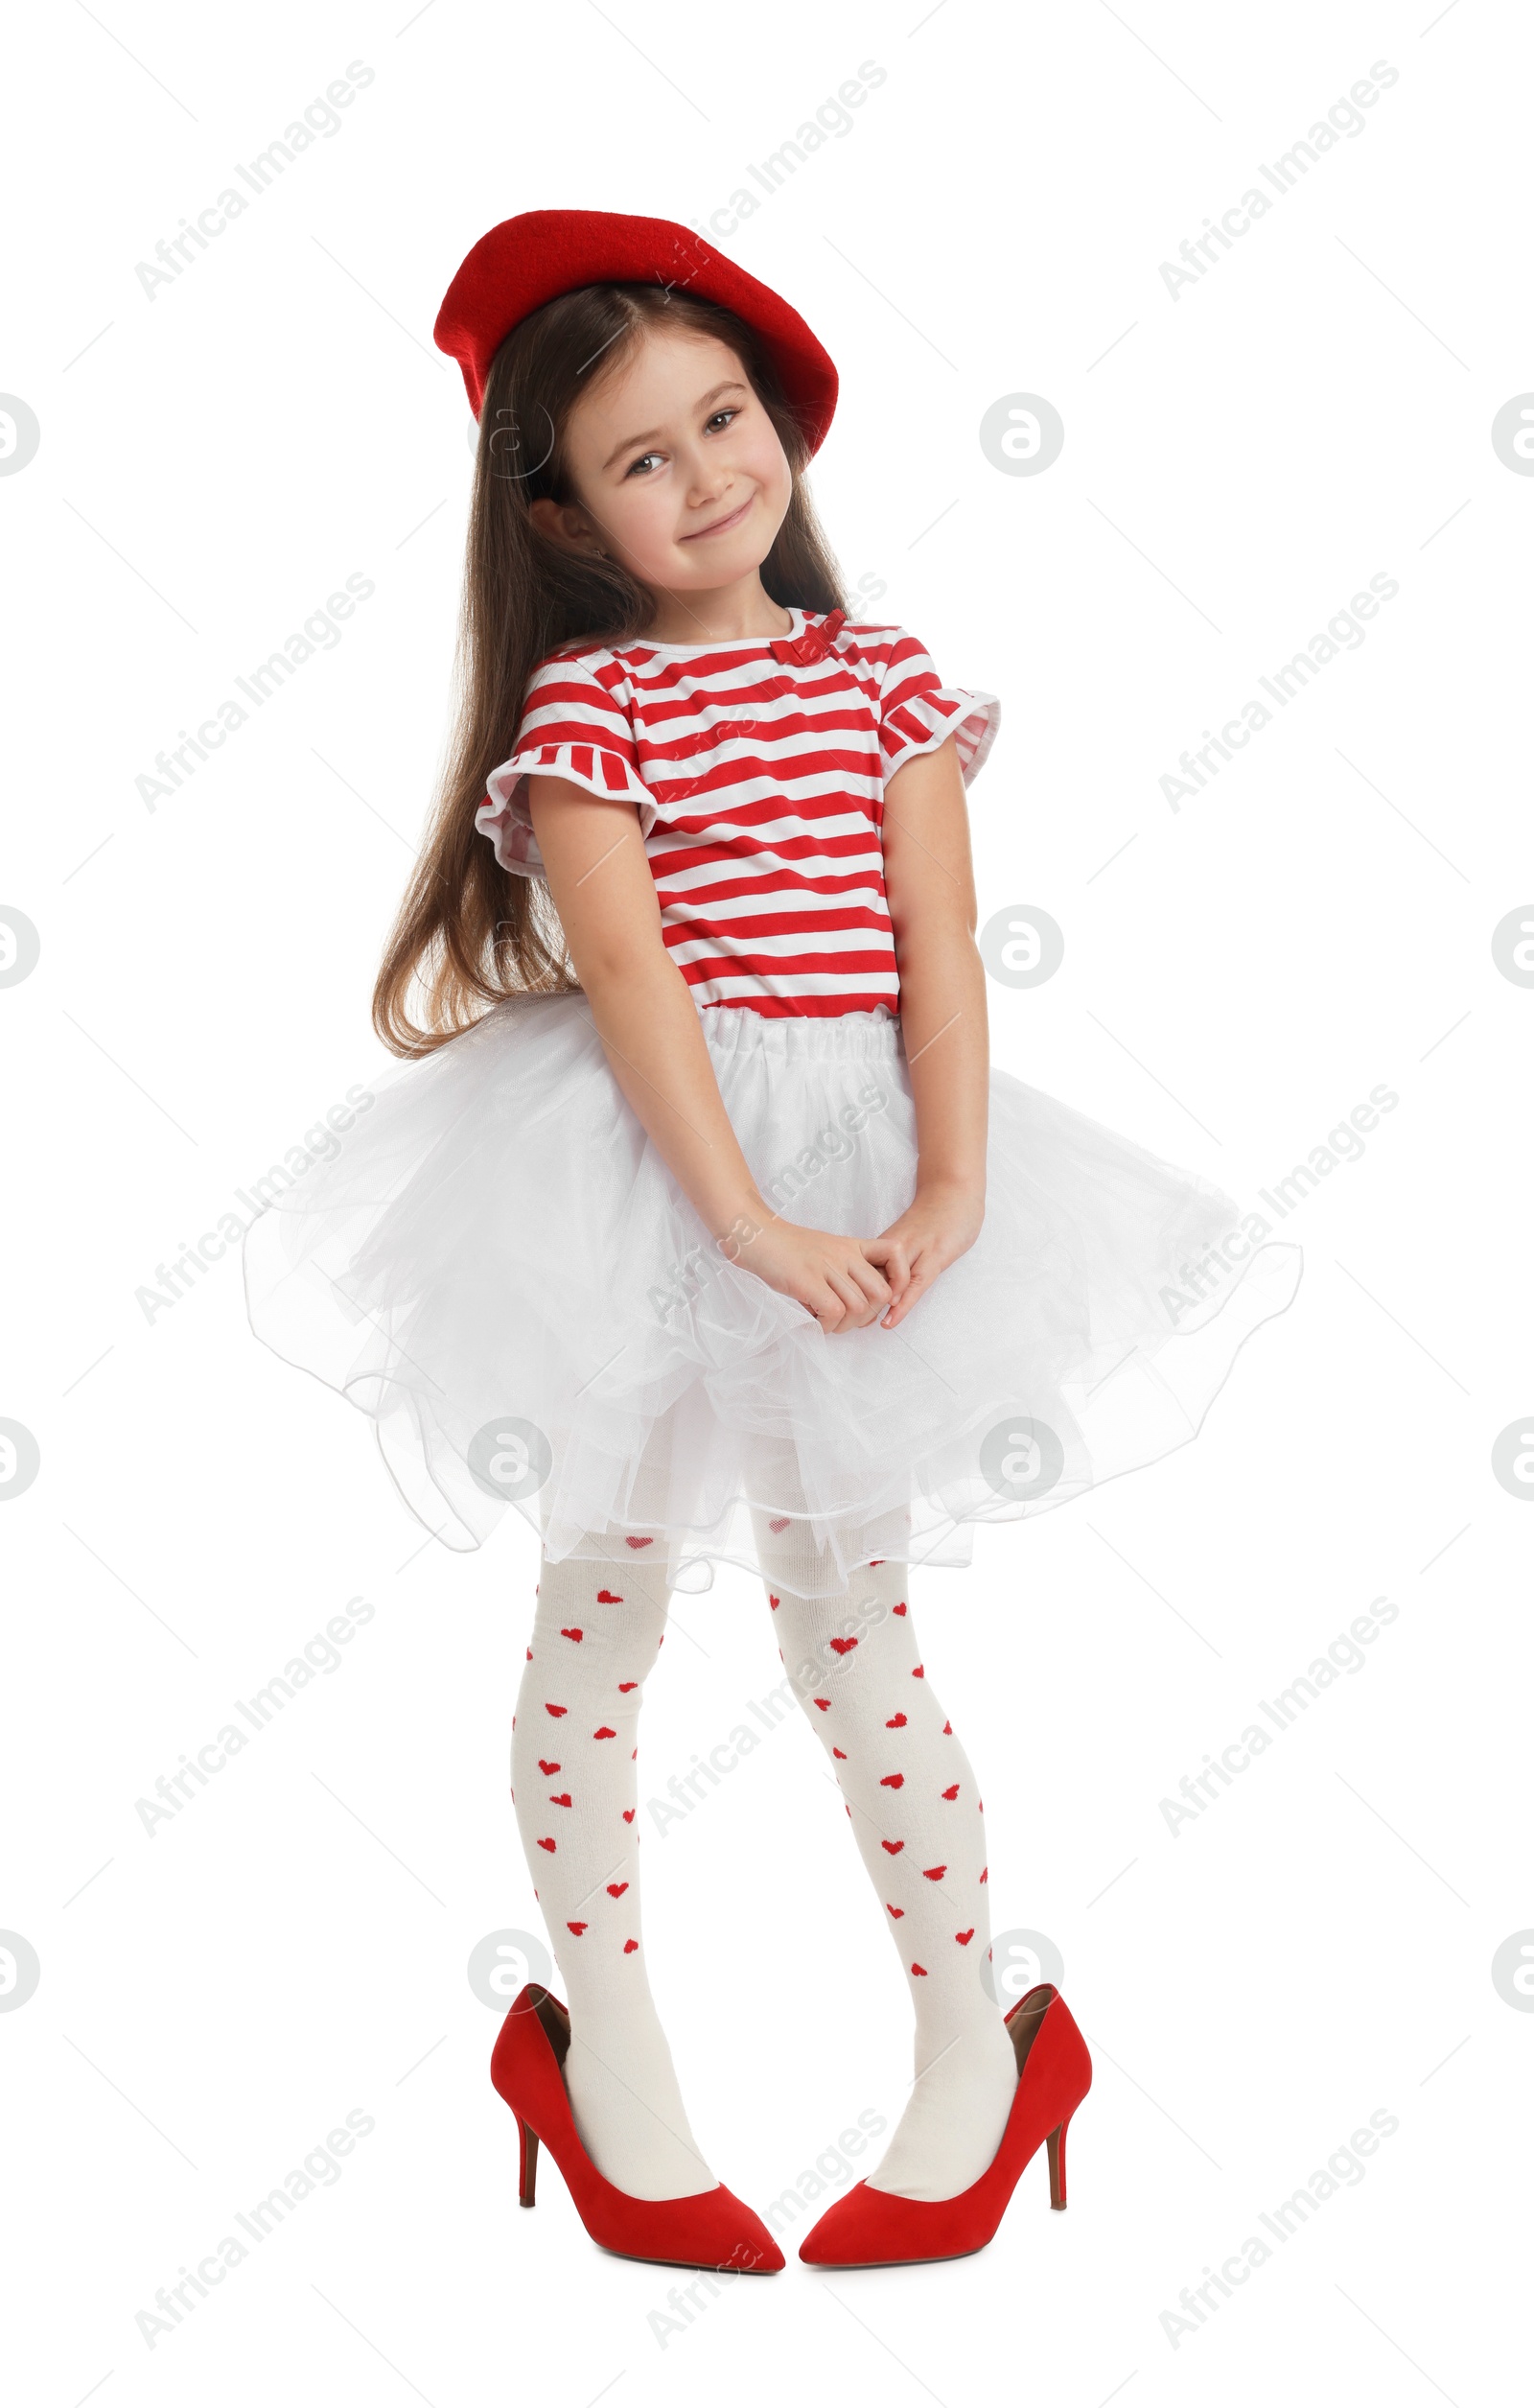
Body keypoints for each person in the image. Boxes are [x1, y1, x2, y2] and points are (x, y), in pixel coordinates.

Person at [244, 209, 1302, 2273]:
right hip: (654, 1179)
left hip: (869, 1167)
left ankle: (975, 2047)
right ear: (559, 510)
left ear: (780, 424)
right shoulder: (586, 712)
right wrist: (738, 1218)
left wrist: (947, 1193)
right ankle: (601, 2048)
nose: (710, 474)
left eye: (724, 419)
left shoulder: (883, 679)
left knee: (852, 1623)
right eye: (644, 458)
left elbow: (935, 952)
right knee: (602, 1608)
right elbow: (629, 977)